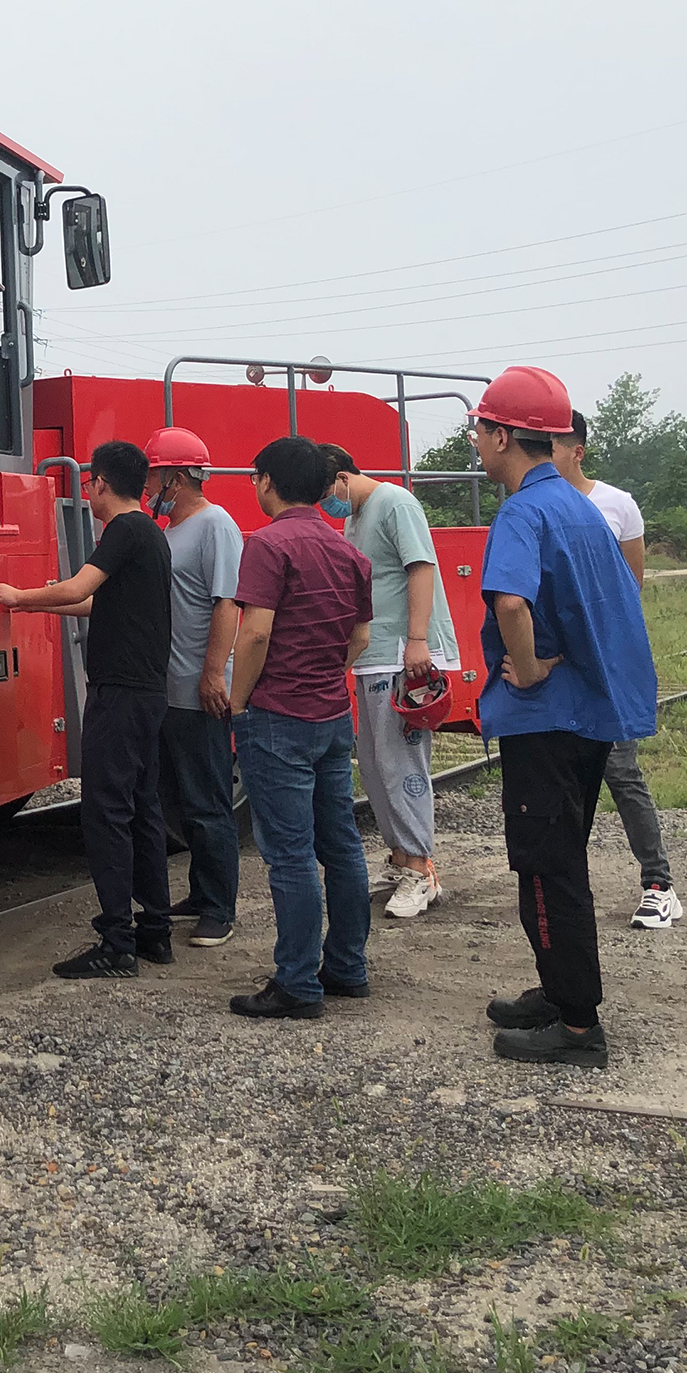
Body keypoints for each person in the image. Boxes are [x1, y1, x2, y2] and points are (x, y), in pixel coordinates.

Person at [469, 367, 659, 1069]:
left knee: (548, 867)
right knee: (557, 860)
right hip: (586, 716)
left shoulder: (522, 511)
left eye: (479, 430)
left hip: (544, 718)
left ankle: (578, 1024)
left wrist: (523, 665)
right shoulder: (580, 505)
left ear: (500, 434)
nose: (476, 442)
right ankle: (556, 989)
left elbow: (510, 602)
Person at [0, 439, 174, 978]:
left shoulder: (123, 530)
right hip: (147, 692)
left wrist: (19, 598)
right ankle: (154, 931)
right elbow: (95, 601)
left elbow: (81, 584)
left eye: (89, 484)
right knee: (142, 808)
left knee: (106, 811)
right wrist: (51, 601)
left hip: (119, 692)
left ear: (101, 484)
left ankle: (118, 942)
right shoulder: (151, 537)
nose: (86, 492)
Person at [225, 435, 376, 1021]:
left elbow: (256, 632)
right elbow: (360, 638)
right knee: (339, 844)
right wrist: (324, 674)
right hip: (332, 715)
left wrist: (239, 704)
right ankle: (347, 968)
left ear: (266, 480)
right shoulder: (349, 553)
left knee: (289, 855)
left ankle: (296, 983)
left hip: (277, 718)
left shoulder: (265, 545)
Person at [322, 443, 460, 920]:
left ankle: (422, 868)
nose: (326, 503)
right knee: (377, 763)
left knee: (401, 761)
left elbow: (420, 567)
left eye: (326, 492)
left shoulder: (396, 502)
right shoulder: (355, 517)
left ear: (342, 477)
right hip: (374, 655)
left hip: (402, 655)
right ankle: (402, 858)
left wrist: (417, 640)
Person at [558, 411, 681, 930]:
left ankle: (659, 884)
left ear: (577, 450)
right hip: (555, 666)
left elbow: (631, 588)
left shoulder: (616, 504)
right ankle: (565, 885)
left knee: (621, 772)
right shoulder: (530, 506)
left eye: (554, 443)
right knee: (562, 776)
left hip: (607, 664)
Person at [143, 426, 243, 949]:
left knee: (206, 800)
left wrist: (212, 673)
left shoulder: (215, 526)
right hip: (165, 689)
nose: (149, 484)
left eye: (154, 474)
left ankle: (219, 907)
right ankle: (201, 893)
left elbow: (228, 603)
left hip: (197, 689)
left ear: (176, 478)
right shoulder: (166, 530)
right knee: (176, 798)